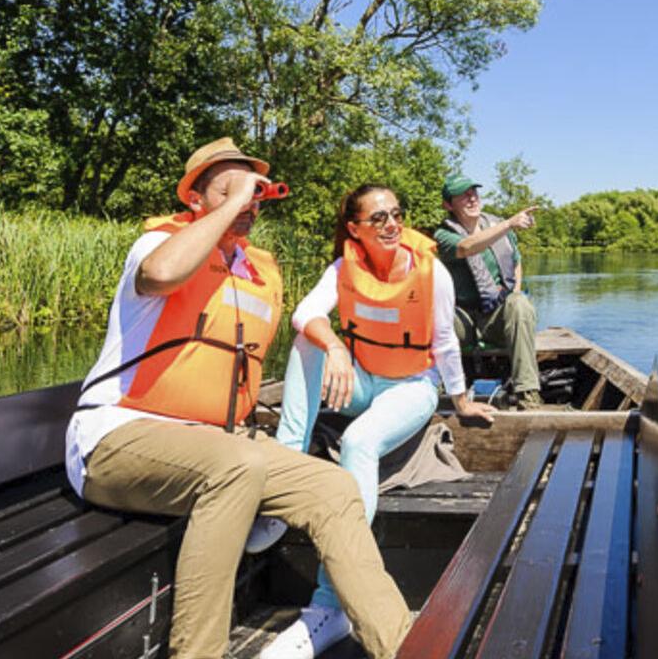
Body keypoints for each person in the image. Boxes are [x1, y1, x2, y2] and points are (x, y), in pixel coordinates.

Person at [64, 139, 413, 659]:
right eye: (231, 191)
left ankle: (406, 646)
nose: (248, 203)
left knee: (334, 486)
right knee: (237, 466)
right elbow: (161, 276)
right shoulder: (160, 245)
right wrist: (229, 206)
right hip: (114, 437)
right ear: (195, 200)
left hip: (216, 444)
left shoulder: (256, 270)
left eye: (255, 194)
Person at [257, 183, 497, 659]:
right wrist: (335, 346)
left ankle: (330, 605)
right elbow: (305, 314)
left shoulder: (431, 271)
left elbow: (445, 342)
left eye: (397, 215)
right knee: (308, 341)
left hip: (411, 387)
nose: (392, 225)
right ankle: (282, 485)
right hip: (364, 380)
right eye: (379, 218)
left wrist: (462, 401)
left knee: (359, 442)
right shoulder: (343, 267)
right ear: (355, 229)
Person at [434, 174, 543, 409]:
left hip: (495, 317)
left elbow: (516, 262)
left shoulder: (498, 225)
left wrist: (514, 294)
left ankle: (528, 394)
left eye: (473, 192)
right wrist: (509, 223)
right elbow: (467, 246)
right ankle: (436, 390)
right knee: (431, 314)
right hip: (463, 320)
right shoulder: (443, 235)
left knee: (519, 303)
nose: (472, 198)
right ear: (448, 205)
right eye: (463, 195)